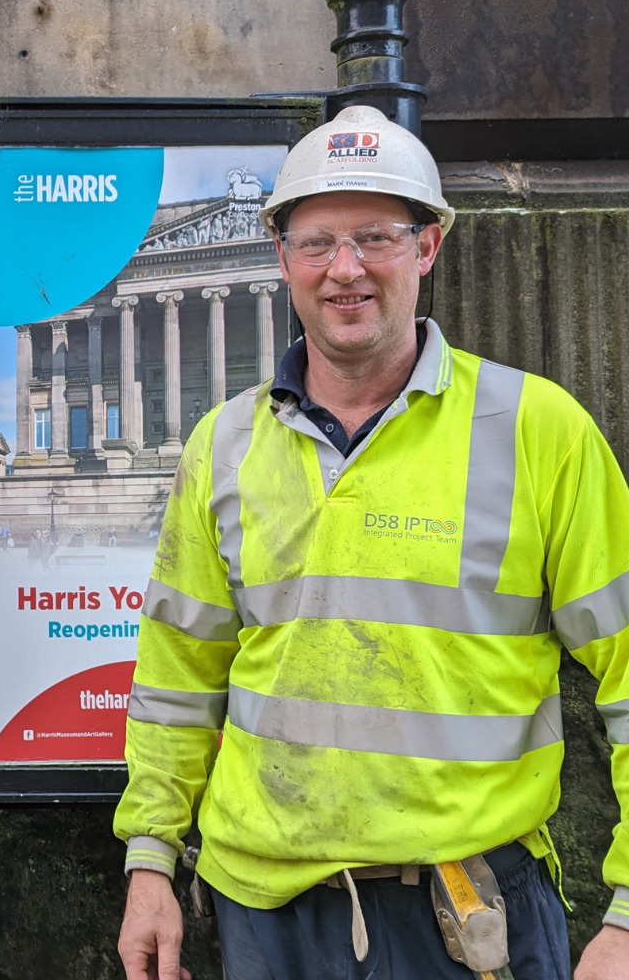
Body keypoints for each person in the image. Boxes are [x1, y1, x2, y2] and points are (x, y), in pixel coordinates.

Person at [113, 106, 629, 980]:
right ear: (281, 258)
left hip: (470, 914)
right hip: (264, 915)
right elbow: (178, 678)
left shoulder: (539, 430)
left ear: (427, 248)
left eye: (376, 238)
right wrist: (150, 861)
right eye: (316, 243)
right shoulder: (222, 445)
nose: (344, 270)